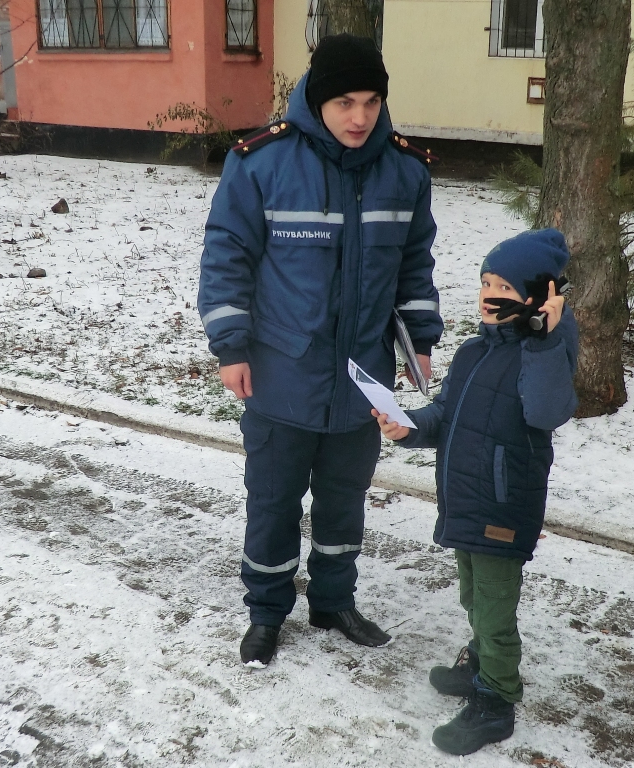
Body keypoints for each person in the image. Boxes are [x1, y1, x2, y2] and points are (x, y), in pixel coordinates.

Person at [197, 34, 442, 668]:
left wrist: (423, 342)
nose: (359, 117)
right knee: (273, 501)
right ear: (315, 97)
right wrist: (231, 347)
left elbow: (414, 266)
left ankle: (333, 602)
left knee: (344, 500)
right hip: (281, 371)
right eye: (343, 102)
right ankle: (267, 612)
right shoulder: (262, 163)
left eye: (370, 101)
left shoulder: (405, 171)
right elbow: (227, 259)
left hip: (363, 377)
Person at [374, 228, 578, 755]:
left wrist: (545, 338)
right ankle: (482, 663)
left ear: (539, 298)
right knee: (472, 595)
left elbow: (547, 411)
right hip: (465, 501)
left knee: (493, 607)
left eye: (504, 289)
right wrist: (407, 426)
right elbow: (445, 414)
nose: (489, 296)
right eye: (485, 283)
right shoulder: (473, 352)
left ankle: (497, 699)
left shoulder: (544, 356)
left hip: (503, 506)